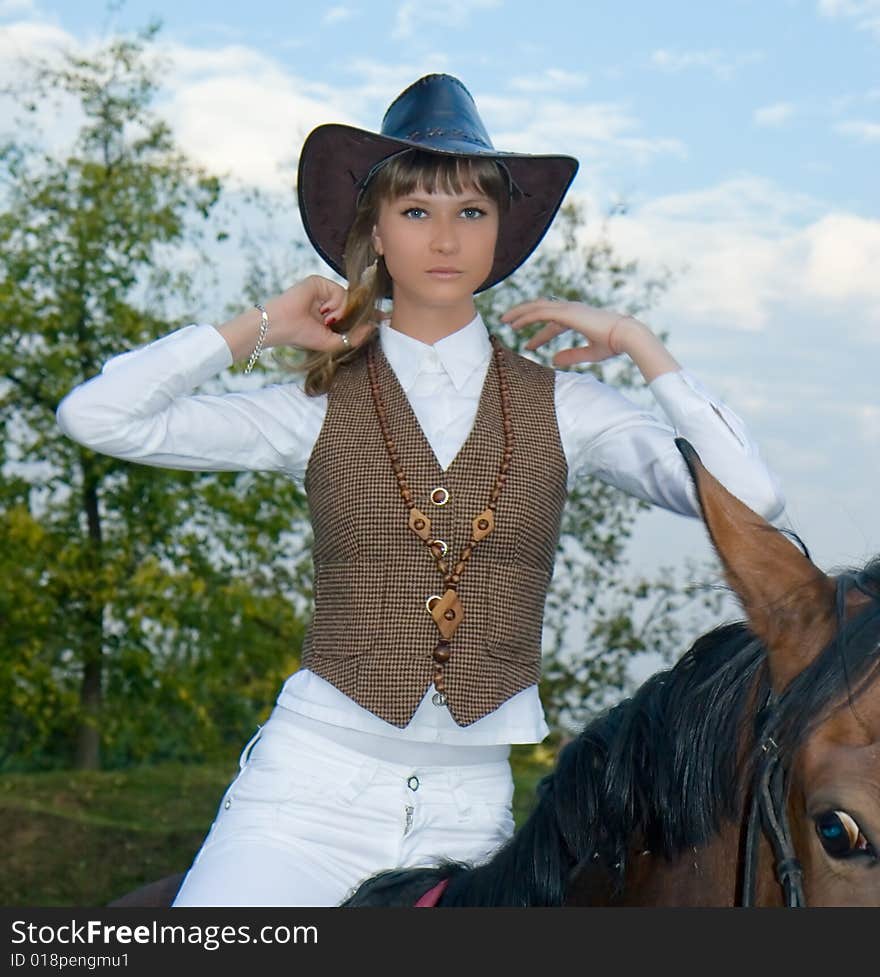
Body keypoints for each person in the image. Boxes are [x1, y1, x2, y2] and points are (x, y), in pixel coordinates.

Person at [55, 73, 785, 907]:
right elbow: (98, 416)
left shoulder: (571, 407)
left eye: (471, 211)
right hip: (303, 798)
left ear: (499, 231)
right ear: (375, 228)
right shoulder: (313, 406)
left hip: (468, 814)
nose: (446, 236)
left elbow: (752, 502)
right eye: (416, 211)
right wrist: (256, 328)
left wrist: (642, 347)